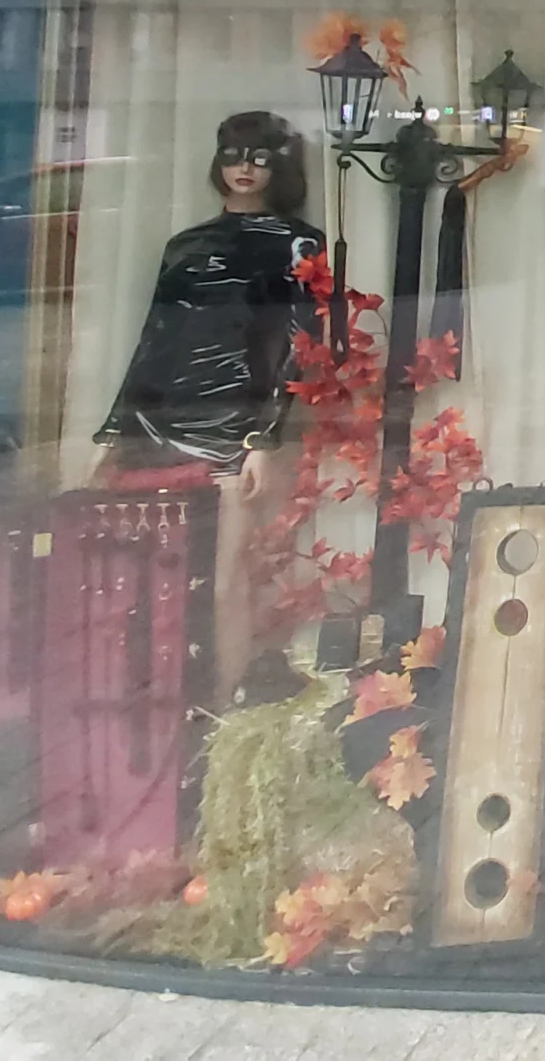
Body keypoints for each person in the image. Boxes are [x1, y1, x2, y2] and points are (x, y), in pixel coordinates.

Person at [97, 111, 325, 695]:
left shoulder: (298, 244)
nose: (244, 169)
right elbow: (154, 339)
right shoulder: (185, 246)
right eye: (233, 156)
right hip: (163, 418)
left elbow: (298, 346)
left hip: (235, 423)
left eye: (259, 159)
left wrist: (263, 438)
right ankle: (163, 702)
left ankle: (225, 702)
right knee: (155, 580)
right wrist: (118, 433)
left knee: (226, 577)